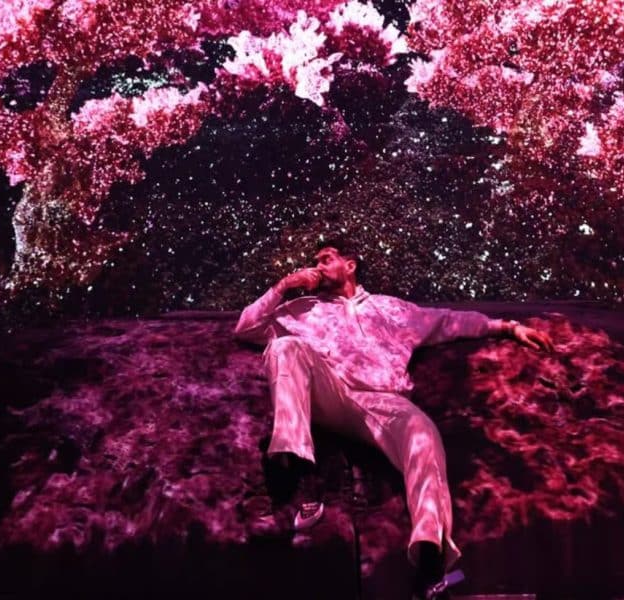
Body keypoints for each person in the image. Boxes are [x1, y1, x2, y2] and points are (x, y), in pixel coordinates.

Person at [234, 239, 554, 599]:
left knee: (423, 433)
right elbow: (246, 328)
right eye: (316, 262)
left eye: (326, 259)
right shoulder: (304, 308)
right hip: (332, 393)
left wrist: (509, 328)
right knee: (284, 347)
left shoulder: (394, 310)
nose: (319, 266)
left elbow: (451, 321)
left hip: (385, 402)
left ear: (350, 264)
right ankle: (291, 463)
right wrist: (282, 288)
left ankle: (430, 557)